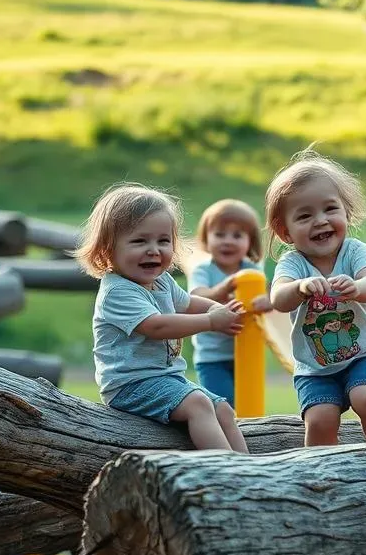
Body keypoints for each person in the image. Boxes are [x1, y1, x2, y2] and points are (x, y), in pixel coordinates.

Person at [76, 182, 249, 452]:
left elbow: (188, 303)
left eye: (163, 241)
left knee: (224, 409)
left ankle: (253, 472)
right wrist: (211, 322)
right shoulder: (118, 291)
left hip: (167, 379)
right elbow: (157, 326)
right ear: (107, 249)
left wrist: (213, 308)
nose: (154, 250)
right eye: (139, 241)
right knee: (198, 404)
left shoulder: (162, 281)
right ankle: (225, 472)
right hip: (129, 385)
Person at [266, 147, 366, 446]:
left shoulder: (355, 251)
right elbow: (278, 298)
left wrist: (358, 287)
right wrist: (300, 288)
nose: (320, 221)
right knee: (320, 419)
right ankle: (323, 475)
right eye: (304, 216)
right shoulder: (292, 263)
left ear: (346, 212)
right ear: (285, 232)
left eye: (330, 209)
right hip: (315, 367)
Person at [189, 198, 272, 406]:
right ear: (206, 239)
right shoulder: (204, 270)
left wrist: (268, 302)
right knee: (222, 405)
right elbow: (197, 297)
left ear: (250, 242)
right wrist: (222, 290)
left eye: (237, 235)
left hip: (247, 350)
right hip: (213, 356)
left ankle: (252, 437)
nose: (228, 241)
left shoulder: (253, 272)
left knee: (249, 405)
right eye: (219, 234)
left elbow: (267, 299)